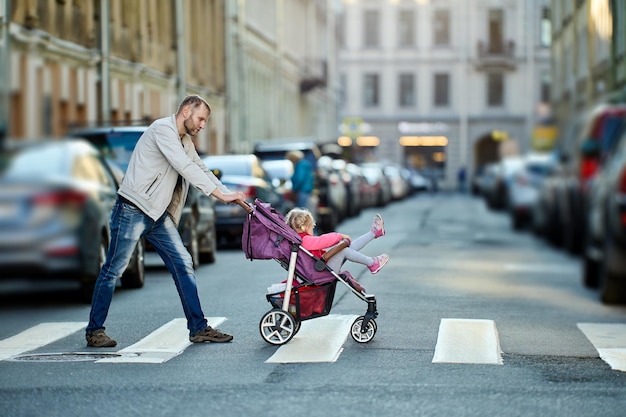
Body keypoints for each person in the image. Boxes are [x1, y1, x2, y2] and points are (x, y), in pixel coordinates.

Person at [85, 95, 247, 348]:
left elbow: (200, 168)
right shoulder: (162, 129)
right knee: (114, 270)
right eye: (201, 118)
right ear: (185, 111)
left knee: (184, 264)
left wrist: (228, 195)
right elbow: (183, 166)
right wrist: (220, 195)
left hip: (157, 215)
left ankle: (198, 328)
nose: (203, 125)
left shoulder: (184, 140)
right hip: (133, 209)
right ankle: (95, 331)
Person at [285, 207, 389, 275]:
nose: (312, 229)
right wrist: (339, 236)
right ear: (305, 227)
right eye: (312, 227)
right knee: (345, 250)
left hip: (320, 268)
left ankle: (374, 233)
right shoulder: (305, 240)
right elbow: (323, 241)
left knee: (346, 247)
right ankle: (372, 263)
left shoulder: (297, 240)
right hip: (321, 272)